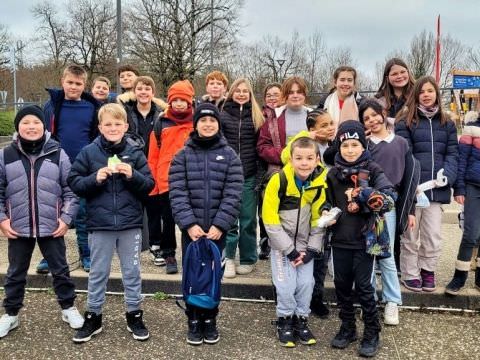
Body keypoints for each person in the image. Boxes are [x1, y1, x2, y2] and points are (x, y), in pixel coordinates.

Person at [68, 103, 154, 343]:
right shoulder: (89, 152)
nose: (113, 128)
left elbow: (149, 185)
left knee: (132, 272)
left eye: (118, 124)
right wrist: (95, 178)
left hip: (130, 224)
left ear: (126, 126)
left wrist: (132, 175)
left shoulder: (135, 152)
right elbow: (73, 182)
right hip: (100, 225)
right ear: (100, 127)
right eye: (108, 124)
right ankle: (93, 316)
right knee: (97, 272)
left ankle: (134, 314)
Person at [0, 106, 82, 338]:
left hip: (51, 225)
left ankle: (68, 308)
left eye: (36, 122)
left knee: (60, 270)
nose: (31, 126)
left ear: (44, 126)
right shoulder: (5, 155)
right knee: (16, 272)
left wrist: (65, 219)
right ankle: (11, 314)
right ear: (18, 126)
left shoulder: (58, 153)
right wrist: (3, 220)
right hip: (17, 226)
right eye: (25, 122)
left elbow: (71, 190)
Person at [169, 103, 243, 345]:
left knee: (213, 276)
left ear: (218, 125)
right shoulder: (182, 155)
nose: (208, 124)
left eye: (212, 121)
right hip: (191, 231)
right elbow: (178, 192)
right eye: (203, 120)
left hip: (216, 232)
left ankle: (210, 319)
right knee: (193, 275)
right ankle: (193, 319)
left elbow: (233, 193)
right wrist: (188, 223)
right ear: (196, 124)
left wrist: (221, 225)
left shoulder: (230, 155)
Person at [326, 120, 396, 357]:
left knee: (365, 287)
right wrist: (326, 212)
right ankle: (347, 327)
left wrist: (368, 195)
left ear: (363, 146)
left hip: (366, 240)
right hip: (340, 238)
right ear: (339, 147)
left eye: (355, 144)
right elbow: (326, 201)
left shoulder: (373, 170)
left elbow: (389, 197)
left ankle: (372, 331)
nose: (350, 150)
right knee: (342, 286)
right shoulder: (333, 173)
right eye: (345, 146)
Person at [359, 98, 419, 326]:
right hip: (367, 203)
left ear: (383, 114)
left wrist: (410, 209)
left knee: (386, 253)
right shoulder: (364, 145)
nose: (372, 120)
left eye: (374, 115)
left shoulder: (401, 143)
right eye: (366, 118)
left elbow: (408, 181)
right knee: (368, 253)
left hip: (390, 204)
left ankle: (392, 300)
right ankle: (369, 299)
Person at [263, 136, 327, 348]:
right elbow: (270, 219)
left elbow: (319, 220)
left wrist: (312, 249)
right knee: (285, 285)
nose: (304, 162)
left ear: (317, 159)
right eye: (299, 158)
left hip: (305, 246)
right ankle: (284, 320)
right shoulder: (279, 180)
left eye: (309, 158)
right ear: (290, 159)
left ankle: (301, 320)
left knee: (306, 284)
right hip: (283, 247)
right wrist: (288, 250)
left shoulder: (319, 184)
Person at [395, 76, 458, 292]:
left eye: (430, 91)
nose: (427, 95)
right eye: (422, 92)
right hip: (414, 191)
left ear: (436, 94)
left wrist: (447, 175)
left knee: (432, 235)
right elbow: (405, 155)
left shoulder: (447, 123)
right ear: (416, 95)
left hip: (437, 192)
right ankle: (410, 273)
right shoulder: (405, 122)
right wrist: (414, 183)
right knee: (410, 236)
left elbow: (453, 153)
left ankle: (427, 271)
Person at [41, 64, 101, 274]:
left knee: (83, 215)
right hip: (55, 168)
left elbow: (96, 137)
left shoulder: (92, 108)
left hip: (83, 170)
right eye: (70, 82)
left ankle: (86, 255)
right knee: (52, 213)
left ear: (84, 85)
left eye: (78, 83)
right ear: (62, 82)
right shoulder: (51, 107)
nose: (73, 87)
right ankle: (50, 257)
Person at [280, 109, 335, 319]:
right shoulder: (302, 143)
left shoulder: (336, 146)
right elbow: (285, 155)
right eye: (323, 125)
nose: (329, 128)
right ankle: (289, 298)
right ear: (311, 129)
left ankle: (316, 297)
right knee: (299, 258)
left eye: (331, 123)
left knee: (321, 255)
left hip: (326, 208)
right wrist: (305, 137)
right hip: (303, 211)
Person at [147, 79, 195, 273]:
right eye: (175, 100)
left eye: (183, 100)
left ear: (189, 101)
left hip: (192, 180)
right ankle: (169, 254)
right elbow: (153, 155)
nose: (179, 104)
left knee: (191, 220)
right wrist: (154, 182)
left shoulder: (198, 121)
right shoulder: (161, 122)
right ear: (170, 101)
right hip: (167, 180)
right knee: (168, 220)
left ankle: (191, 255)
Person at [221, 78, 264, 278]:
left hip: (249, 174)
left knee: (247, 220)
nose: (241, 94)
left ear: (250, 94)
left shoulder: (257, 116)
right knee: (229, 220)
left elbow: (260, 148)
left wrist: (259, 176)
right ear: (231, 93)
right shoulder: (222, 114)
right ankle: (228, 258)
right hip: (227, 176)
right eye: (237, 90)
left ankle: (248, 258)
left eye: (245, 91)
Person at [445, 109, 480, 295]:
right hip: (474, 185)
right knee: (471, 234)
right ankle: (460, 276)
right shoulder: (471, 129)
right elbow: (462, 159)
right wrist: (459, 187)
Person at [258, 82, 283, 261]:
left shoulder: (288, 116)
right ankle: (265, 241)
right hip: (265, 167)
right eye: (269, 95)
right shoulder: (261, 116)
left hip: (293, 166)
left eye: (276, 94)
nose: (272, 98)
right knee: (265, 207)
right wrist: (282, 156)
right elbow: (261, 145)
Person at [317, 66, 362, 132]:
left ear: (354, 83)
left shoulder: (361, 102)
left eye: (349, 80)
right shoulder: (324, 102)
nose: (346, 83)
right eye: (342, 80)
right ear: (335, 82)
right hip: (329, 141)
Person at [375, 58, 415, 126]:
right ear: (387, 78)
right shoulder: (379, 100)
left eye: (403, 72)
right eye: (394, 74)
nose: (399, 76)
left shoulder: (418, 95)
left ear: (408, 72)